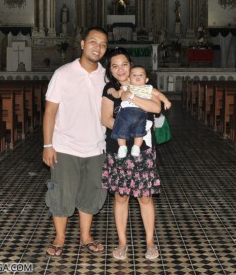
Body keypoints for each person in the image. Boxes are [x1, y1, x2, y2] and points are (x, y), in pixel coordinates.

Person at [42, 26, 109, 258]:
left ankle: (86, 236)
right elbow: (50, 111)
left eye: (102, 44)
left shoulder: (108, 77)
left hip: (96, 146)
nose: (97, 47)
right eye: (93, 42)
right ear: (82, 44)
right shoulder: (63, 73)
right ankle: (60, 238)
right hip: (65, 146)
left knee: (91, 192)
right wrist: (47, 145)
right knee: (62, 193)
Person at [101, 47, 165, 261]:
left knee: (145, 197)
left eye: (124, 64)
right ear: (110, 70)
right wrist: (125, 134)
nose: (120, 69)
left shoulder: (144, 85)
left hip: (143, 149)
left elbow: (156, 109)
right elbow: (105, 118)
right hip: (119, 148)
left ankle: (149, 241)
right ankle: (122, 241)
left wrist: (134, 97)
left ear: (131, 65)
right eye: (115, 65)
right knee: (121, 196)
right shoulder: (110, 89)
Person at [108, 65, 171, 158]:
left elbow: (159, 94)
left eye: (141, 75)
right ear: (129, 79)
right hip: (125, 113)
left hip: (140, 113)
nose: (137, 77)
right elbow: (118, 95)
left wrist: (166, 101)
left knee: (139, 132)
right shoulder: (126, 87)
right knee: (121, 130)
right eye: (134, 75)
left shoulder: (148, 88)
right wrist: (113, 91)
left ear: (146, 80)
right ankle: (122, 147)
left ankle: (136, 147)